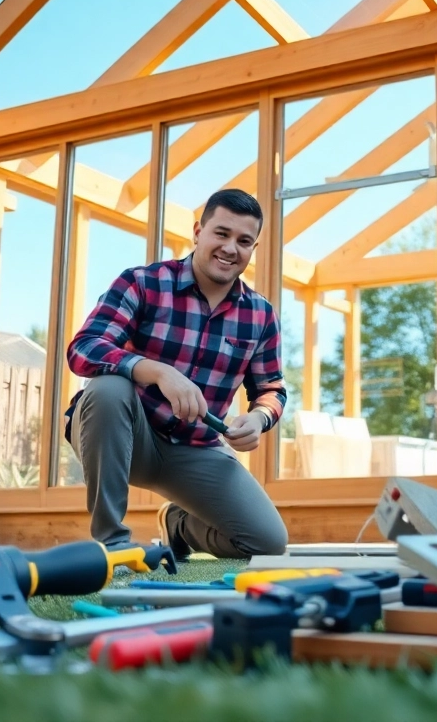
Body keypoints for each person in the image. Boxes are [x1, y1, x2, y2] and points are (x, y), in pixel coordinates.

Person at [64, 188, 288, 560]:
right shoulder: (142, 282)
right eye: (222, 233)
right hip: (125, 433)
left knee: (268, 544)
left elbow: (272, 388)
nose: (231, 248)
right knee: (107, 388)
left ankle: (179, 524)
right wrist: (156, 371)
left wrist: (260, 417)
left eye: (244, 241)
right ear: (198, 231)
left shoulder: (260, 315)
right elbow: (84, 347)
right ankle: (112, 543)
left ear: (253, 248)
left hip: (195, 448)